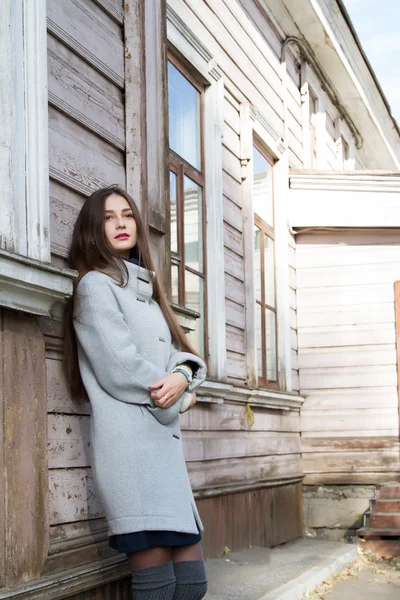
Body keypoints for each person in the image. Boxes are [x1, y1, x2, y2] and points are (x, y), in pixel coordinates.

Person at [64, 185, 208, 599]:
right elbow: (121, 368)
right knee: (159, 592)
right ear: (93, 232)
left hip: (164, 457)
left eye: (126, 214)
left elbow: (180, 356)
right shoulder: (95, 287)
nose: (121, 223)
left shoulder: (146, 292)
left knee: (193, 586)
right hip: (132, 455)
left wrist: (182, 376)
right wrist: (181, 395)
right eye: (109, 217)